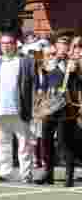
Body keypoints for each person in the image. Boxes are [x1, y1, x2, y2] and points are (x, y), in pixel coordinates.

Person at [0, 32, 35, 183]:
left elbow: (32, 84)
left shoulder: (25, 62)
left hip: (20, 109)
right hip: (1, 110)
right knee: (3, 143)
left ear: (15, 44)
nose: (5, 46)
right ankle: (4, 172)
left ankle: (26, 174)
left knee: (24, 144)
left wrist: (33, 107)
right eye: (3, 43)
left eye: (9, 43)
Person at [36, 32, 79, 186]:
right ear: (56, 46)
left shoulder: (73, 64)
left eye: (66, 45)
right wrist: (40, 98)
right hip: (49, 106)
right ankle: (48, 172)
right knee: (46, 141)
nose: (63, 47)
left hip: (66, 108)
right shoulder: (48, 63)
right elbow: (44, 84)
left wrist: (76, 71)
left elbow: (77, 85)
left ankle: (69, 174)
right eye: (60, 44)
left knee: (64, 142)